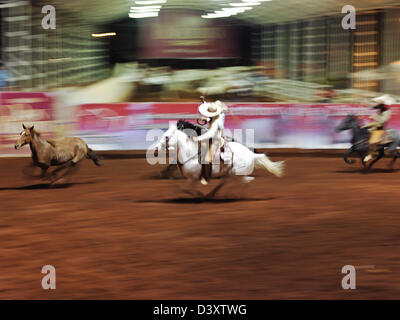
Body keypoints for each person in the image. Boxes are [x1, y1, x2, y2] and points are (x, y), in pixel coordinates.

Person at [193, 98, 228, 185]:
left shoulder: (218, 120)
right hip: (210, 138)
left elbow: (211, 134)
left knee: (207, 159)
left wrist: (198, 138)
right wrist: (203, 101)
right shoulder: (215, 117)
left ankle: (206, 177)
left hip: (215, 140)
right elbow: (208, 109)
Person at [362, 94, 395, 162]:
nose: (379, 102)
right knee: (364, 128)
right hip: (376, 123)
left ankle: (370, 155)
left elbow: (383, 120)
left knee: (373, 140)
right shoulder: (381, 106)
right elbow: (373, 107)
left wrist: (375, 117)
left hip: (381, 126)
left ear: (384, 103)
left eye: (381, 101)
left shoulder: (387, 111)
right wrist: (366, 104)